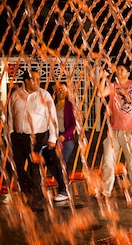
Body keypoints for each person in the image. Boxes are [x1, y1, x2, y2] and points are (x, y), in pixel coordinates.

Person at [8, 69, 69, 210]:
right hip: (18, 137)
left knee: (35, 169)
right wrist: (10, 133)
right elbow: (11, 115)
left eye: (38, 78)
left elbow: (52, 117)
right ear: (26, 81)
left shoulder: (44, 95)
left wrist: (52, 138)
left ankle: (37, 201)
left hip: (39, 137)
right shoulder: (16, 95)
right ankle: (28, 193)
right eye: (33, 79)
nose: (37, 81)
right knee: (16, 168)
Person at [97, 62, 132, 198]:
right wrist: (102, 77)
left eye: (122, 70)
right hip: (114, 131)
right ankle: (105, 191)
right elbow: (100, 94)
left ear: (128, 73)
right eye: (117, 70)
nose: (119, 72)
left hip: (129, 130)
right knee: (107, 161)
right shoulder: (113, 86)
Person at [54, 82, 76, 168]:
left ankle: (64, 179)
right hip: (55, 137)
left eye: (63, 90)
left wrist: (64, 135)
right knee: (56, 161)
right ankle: (61, 179)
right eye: (59, 90)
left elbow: (73, 123)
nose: (61, 92)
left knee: (63, 160)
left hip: (67, 138)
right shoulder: (52, 104)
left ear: (67, 92)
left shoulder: (69, 105)